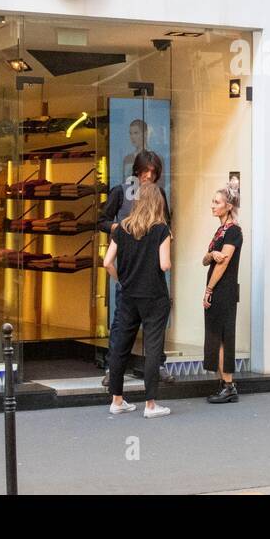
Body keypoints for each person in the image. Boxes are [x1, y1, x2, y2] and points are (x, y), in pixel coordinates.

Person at [99, 151, 172, 386]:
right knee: (121, 324)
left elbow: (166, 225)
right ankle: (113, 370)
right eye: (144, 171)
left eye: (153, 172)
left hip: (149, 267)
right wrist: (120, 229)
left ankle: (156, 366)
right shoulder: (121, 191)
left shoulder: (159, 194)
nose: (148, 176)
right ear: (137, 171)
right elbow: (101, 220)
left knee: (153, 327)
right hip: (130, 267)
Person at [202, 181, 242, 403]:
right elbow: (206, 258)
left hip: (223, 291)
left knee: (222, 337)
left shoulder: (234, 231)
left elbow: (223, 262)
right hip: (217, 290)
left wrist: (209, 289)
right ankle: (224, 383)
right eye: (213, 202)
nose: (212, 206)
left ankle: (229, 385)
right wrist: (212, 255)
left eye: (216, 202)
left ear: (228, 206)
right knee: (216, 335)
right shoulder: (221, 230)